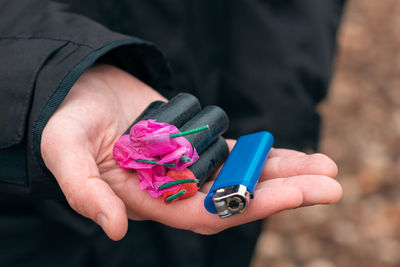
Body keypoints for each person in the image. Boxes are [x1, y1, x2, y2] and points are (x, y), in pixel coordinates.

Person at [0, 1, 345, 266]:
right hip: (32, 214)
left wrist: (279, 109)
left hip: (230, 109)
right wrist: (53, 75)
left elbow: (295, 15)